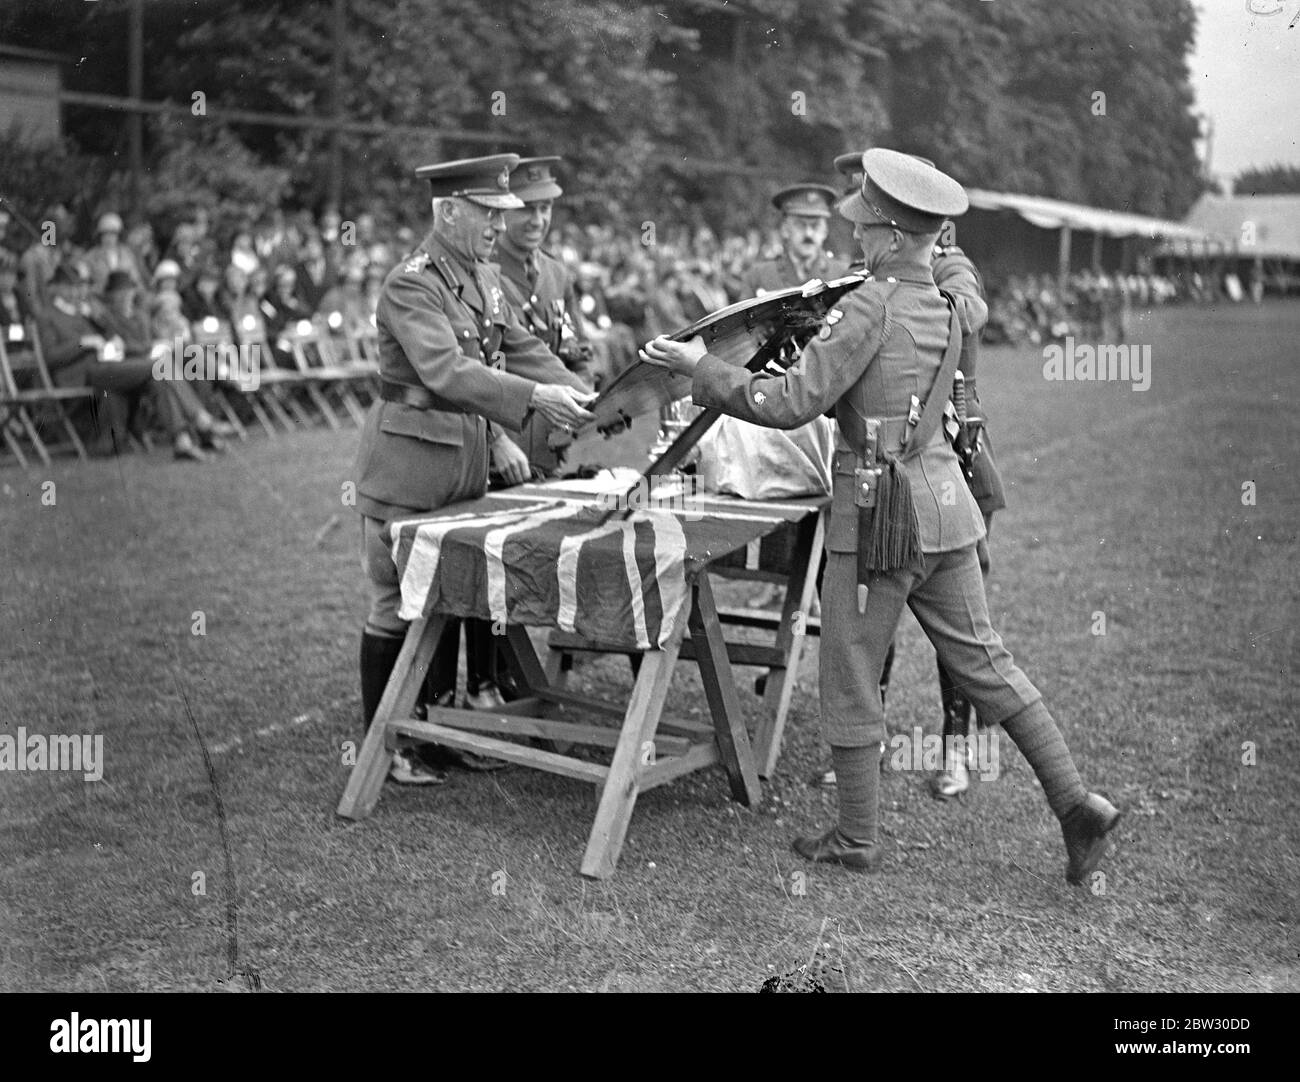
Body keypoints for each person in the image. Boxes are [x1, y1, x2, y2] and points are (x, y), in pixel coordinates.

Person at [641, 149, 1120, 883]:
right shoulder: (944, 304)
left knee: (851, 669)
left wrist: (697, 369)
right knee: (986, 662)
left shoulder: (869, 304)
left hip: (876, 515)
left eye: (865, 226)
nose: (856, 237)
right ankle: (1076, 801)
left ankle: (856, 838)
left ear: (893, 235)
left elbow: (788, 403)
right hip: (945, 506)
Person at [352, 153, 597, 785]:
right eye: (487, 212)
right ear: (450, 210)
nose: (498, 224)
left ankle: (437, 728)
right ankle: (389, 749)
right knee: (396, 607)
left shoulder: (481, 278)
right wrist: (534, 399)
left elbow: (521, 348)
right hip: (407, 469)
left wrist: (589, 396)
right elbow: (446, 372)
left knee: (450, 599)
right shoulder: (412, 282)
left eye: (502, 213)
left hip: (460, 470)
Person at [814, 149, 1008, 798]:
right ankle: (861, 754)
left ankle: (956, 749)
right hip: (886, 461)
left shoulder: (946, 267)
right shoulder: (869, 276)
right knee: (876, 618)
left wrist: (920, 302)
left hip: (948, 450)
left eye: (868, 204)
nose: (858, 216)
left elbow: (971, 312)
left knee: (961, 631)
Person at [492, 156, 593, 475]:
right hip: (499, 449)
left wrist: (584, 404)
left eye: (545, 208)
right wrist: (495, 440)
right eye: (526, 208)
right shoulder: (483, 271)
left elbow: (576, 354)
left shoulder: (558, 275)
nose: (538, 220)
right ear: (503, 210)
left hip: (548, 444)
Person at [741, 184, 845, 297]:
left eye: (815, 226)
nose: (808, 233)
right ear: (785, 230)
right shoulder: (758, 277)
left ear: (825, 231)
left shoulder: (843, 275)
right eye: (800, 225)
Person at [83, 212, 146, 296]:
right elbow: (83, 283)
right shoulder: (91, 257)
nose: (109, 237)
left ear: (118, 235)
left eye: (113, 233)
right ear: (100, 235)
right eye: (106, 233)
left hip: (125, 300)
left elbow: (136, 280)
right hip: (100, 299)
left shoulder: (127, 254)